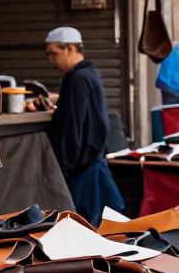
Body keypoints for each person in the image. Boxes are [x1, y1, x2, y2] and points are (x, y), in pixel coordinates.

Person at [44, 27, 124, 226]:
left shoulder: (78, 78)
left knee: (84, 227)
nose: (50, 60)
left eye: (54, 53)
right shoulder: (88, 73)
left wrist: (64, 168)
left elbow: (72, 130)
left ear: (70, 49)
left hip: (83, 171)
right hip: (90, 165)